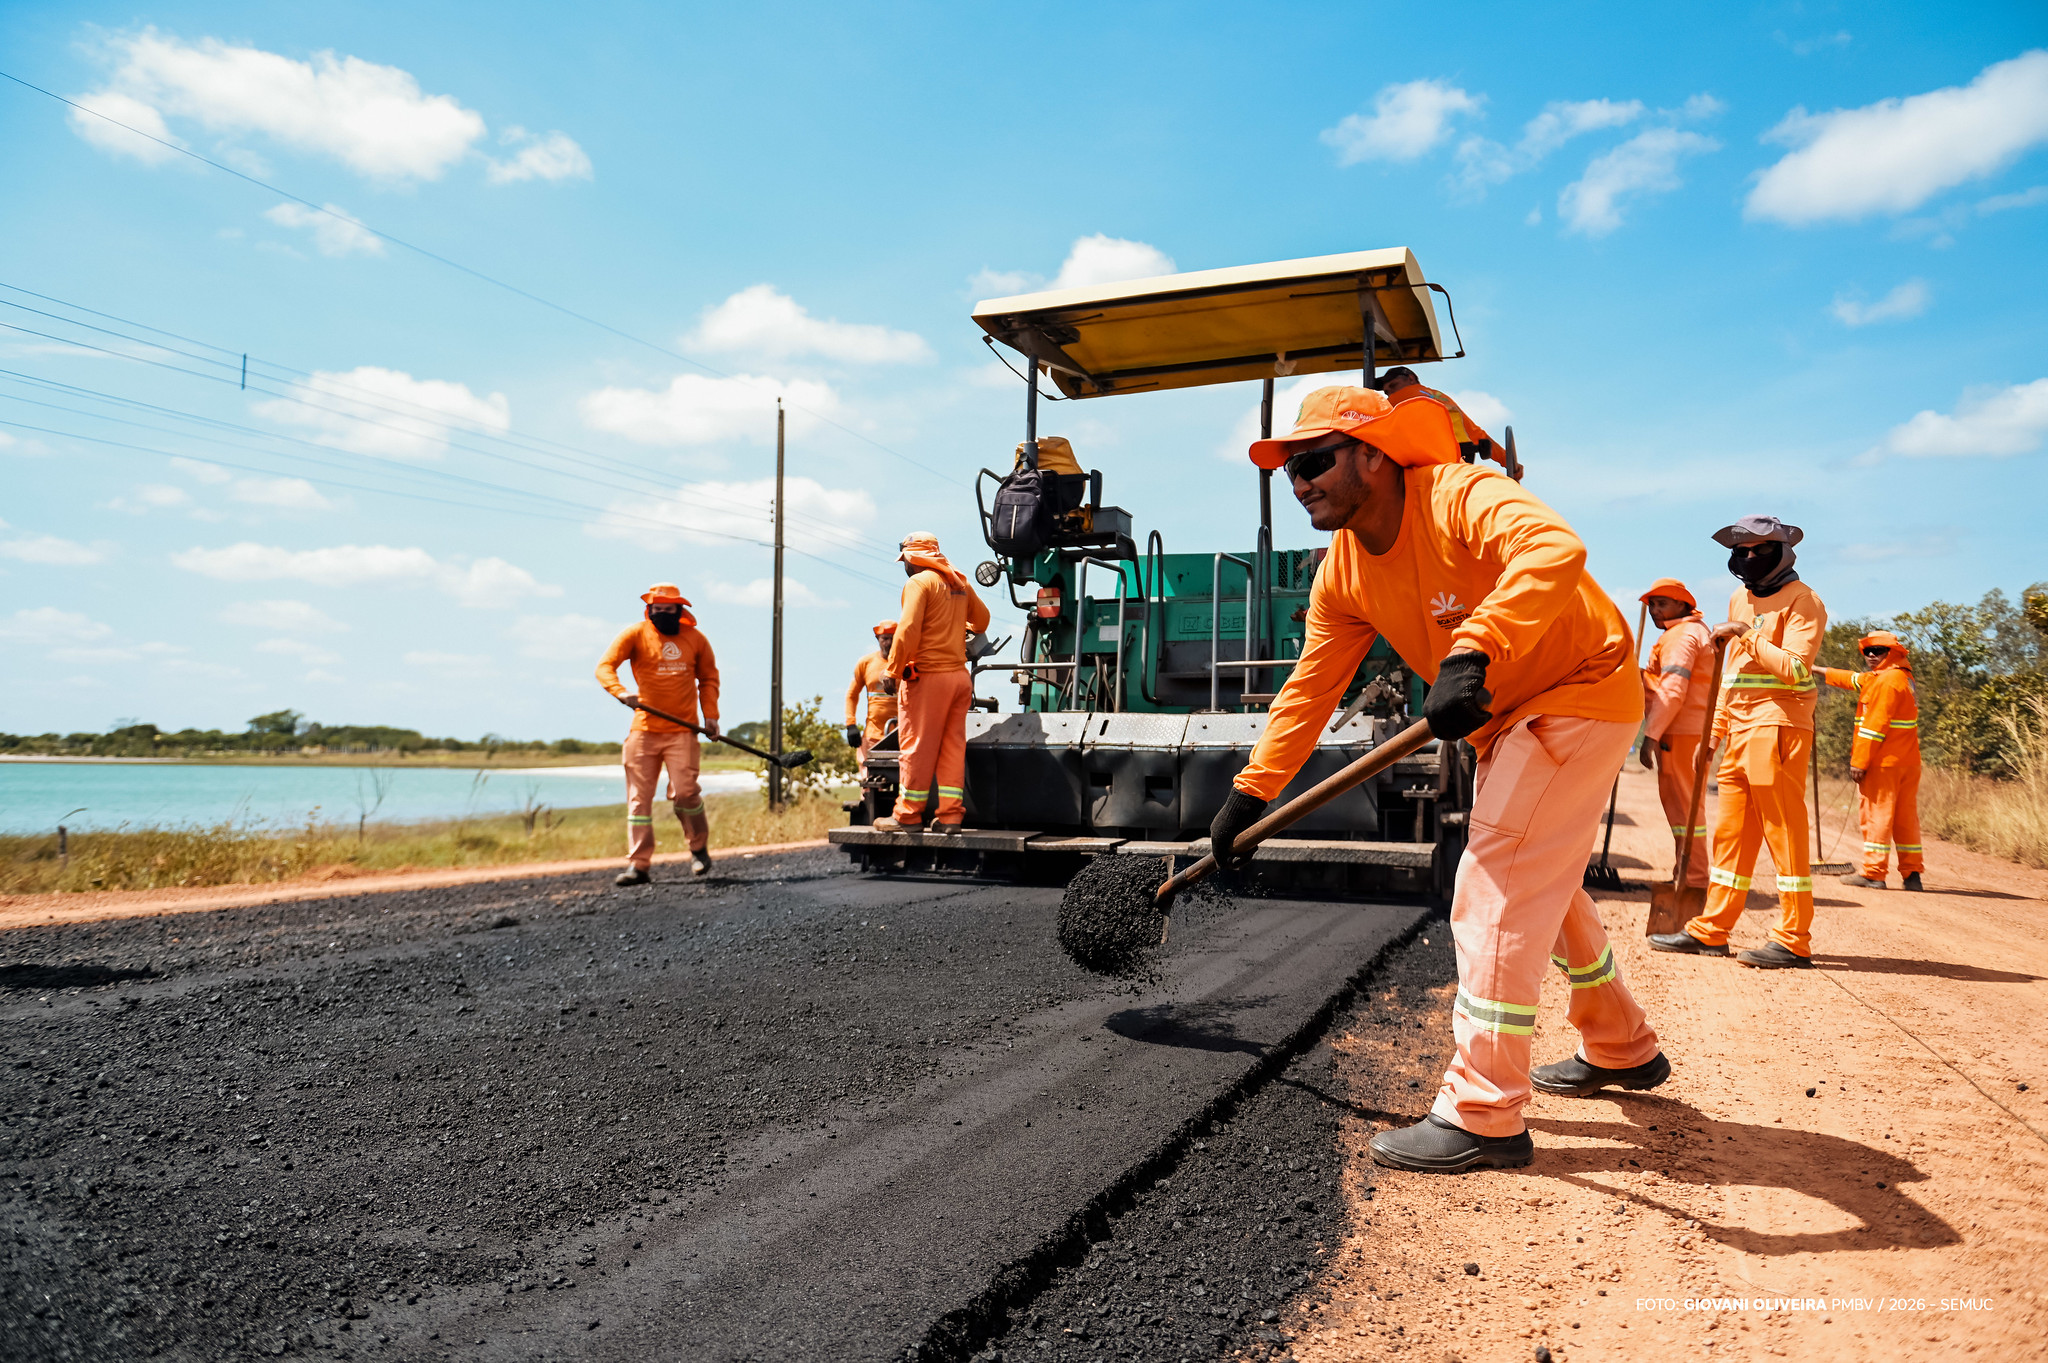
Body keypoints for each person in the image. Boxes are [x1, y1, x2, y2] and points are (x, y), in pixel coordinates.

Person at [1213, 383, 1664, 1173]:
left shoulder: (1459, 493)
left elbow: (1555, 549)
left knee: (1493, 881)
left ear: (1376, 457)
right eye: (1289, 469)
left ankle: (1484, 1110)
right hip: (1507, 720)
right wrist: (1252, 791)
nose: (1300, 481)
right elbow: (1310, 689)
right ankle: (1620, 1040)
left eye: (1314, 460)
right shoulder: (1343, 573)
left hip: (1579, 688)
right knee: (1543, 882)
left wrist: (1474, 646)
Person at [1649, 516, 1827, 968]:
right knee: (1730, 837)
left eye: (1760, 549)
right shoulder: (1739, 597)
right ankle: (1712, 929)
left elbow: (1798, 670)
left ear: (1784, 552)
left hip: (1779, 725)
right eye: (1741, 550)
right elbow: (1731, 677)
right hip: (1740, 731)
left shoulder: (1804, 602)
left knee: (1783, 833)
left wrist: (1746, 635)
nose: (1749, 557)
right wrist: (1714, 734)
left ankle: (1793, 938)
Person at [595, 582, 720, 885]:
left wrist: (711, 716)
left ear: (680, 610)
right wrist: (621, 693)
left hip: (683, 731)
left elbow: (708, 678)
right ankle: (639, 866)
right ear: (649, 610)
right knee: (639, 802)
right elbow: (605, 667)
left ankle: (698, 847)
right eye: (658, 609)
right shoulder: (635, 634)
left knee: (686, 793)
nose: (663, 614)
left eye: (669, 609)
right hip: (644, 731)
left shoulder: (696, 639)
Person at [874, 533, 989, 833]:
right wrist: (955, 625)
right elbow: (982, 622)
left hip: (929, 679)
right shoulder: (959, 582)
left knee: (917, 747)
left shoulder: (919, 582)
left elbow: (908, 628)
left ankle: (908, 816)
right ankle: (951, 817)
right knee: (952, 747)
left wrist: (893, 670)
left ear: (912, 558)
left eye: (905, 561)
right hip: (959, 679)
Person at [1820, 630, 1922, 890]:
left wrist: (1859, 762)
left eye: (1879, 651)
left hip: (1883, 763)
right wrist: (1815, 668)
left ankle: (1874, 873)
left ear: (1894, 653)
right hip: (1907, 763)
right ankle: (1912, 875)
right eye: (1867, 651)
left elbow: (1873, 728)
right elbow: (1853, 679)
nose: (1872, 655)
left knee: (1877, 816)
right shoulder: (1899, 677)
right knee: (1904, 818)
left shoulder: (1885, 682)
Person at [1639, 578, 1714, 889]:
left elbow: (1672, 690)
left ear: (1683, 605)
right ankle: (1684, 873)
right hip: (1690, 730)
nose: (1656, 611)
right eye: (1652, 605)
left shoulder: (1682, 637)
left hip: (1681, 732)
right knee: (1685, 808)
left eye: (1663, 604)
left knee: (1685, 808)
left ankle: (1693, 878)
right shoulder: (1690, 632)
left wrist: (1650, 736)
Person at [1378, 365, 1504, 468]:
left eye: (1393, 385)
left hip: (1431, 460)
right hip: (1463, 457)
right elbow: (1475, 433)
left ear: (1411, 379)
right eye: (1387, 392)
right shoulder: (1441, 397)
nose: (1390, 394)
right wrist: (1507, 461)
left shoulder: (1402, 396)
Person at [844, 619, 900, 773]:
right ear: (878, 639)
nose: (889, 643)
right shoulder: (866, 663)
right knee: (869, 779)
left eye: (893, 638)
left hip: (903, 734)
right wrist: (850, 724)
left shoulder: (908, 663)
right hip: (873, 735)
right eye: (885, 639)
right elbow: (852, 694)